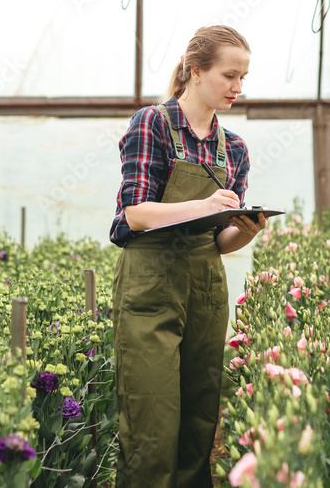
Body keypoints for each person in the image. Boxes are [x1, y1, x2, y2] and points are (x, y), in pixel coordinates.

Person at [108, 25, 268, 487]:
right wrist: (205, 204)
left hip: (204, 284)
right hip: (151, 282)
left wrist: (245, 232)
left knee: (200, 420)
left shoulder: (233, 148)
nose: (238, 87)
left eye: (244, 78)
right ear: (195, 71)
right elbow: (136, 213)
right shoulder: (152, 123)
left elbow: (219, 240)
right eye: (229, 75)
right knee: (151, 422)